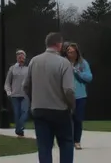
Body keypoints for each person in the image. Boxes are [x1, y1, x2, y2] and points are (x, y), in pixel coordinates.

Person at [22, 32, 75, 163]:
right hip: (60, 110)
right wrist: (72, 105)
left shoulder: (34, 61)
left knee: (44, 147)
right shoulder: (64, 63)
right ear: (59, 44)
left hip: (39, 109)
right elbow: (68, 90)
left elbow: (25, 86)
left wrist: (34, 100)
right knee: (66, 143)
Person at [66, 42, 93, 149]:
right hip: (66, 96)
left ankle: (77, 141)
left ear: (77, 53)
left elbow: (89, 77)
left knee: (77, 119)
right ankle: (68, 141)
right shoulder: (63, 63)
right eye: (68, 51)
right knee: (67, 120)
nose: (70, 54)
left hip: (80, 96)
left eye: (72, 52)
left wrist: (78, 72)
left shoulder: (83, 63)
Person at [4, 49, 31, 138]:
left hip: (25, 95)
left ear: (25, 57)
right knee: (17, 113)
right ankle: (20, 131)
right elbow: (7, 82)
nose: (20, 57)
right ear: (16, 58)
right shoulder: (12, 68)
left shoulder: (28, 68)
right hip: (15, 95)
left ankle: (18, 129)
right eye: (18, 55)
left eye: (22, 55)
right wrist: (8, 92)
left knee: (25, 112)